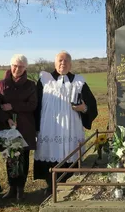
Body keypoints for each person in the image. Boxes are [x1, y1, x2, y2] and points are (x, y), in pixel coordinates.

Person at [34, 51, 98, 194]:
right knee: (50, 152)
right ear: (55, 63)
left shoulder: (79, 81)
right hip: (49, 126)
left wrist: (84, 108)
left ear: (70, 64)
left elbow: (92, 104)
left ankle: (68, 184)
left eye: (66, 61)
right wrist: (35, 126)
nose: (63, 63)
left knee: (70, 152)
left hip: (71, 126)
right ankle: (50, 185)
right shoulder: (45, 79)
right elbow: (36, 104)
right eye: (60, 60)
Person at [0, 54, 37, 200]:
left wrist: (13, 106)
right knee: (10, 158)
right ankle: (12, 188)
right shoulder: (1, 84)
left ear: (25, 68)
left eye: (21, 66)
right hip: (8, 127)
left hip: (24, 126)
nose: (17, 69)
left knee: (22, 158)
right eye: (15, 65)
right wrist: (7, 118)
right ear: (10, 66)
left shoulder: (31, 85)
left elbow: (33, 105)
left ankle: (21, 189)